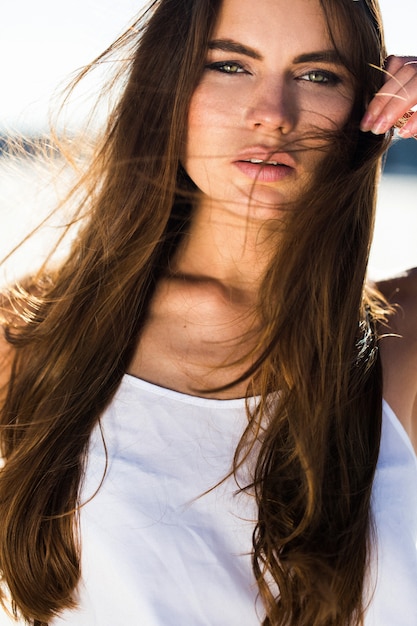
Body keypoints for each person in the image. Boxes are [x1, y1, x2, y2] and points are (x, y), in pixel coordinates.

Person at [0, 0, 416, 624]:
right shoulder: (32, 335)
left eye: (318, 75)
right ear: (167, 85)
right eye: (228, 66)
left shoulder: (401, 340)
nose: (273, 116)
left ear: (368, 107)